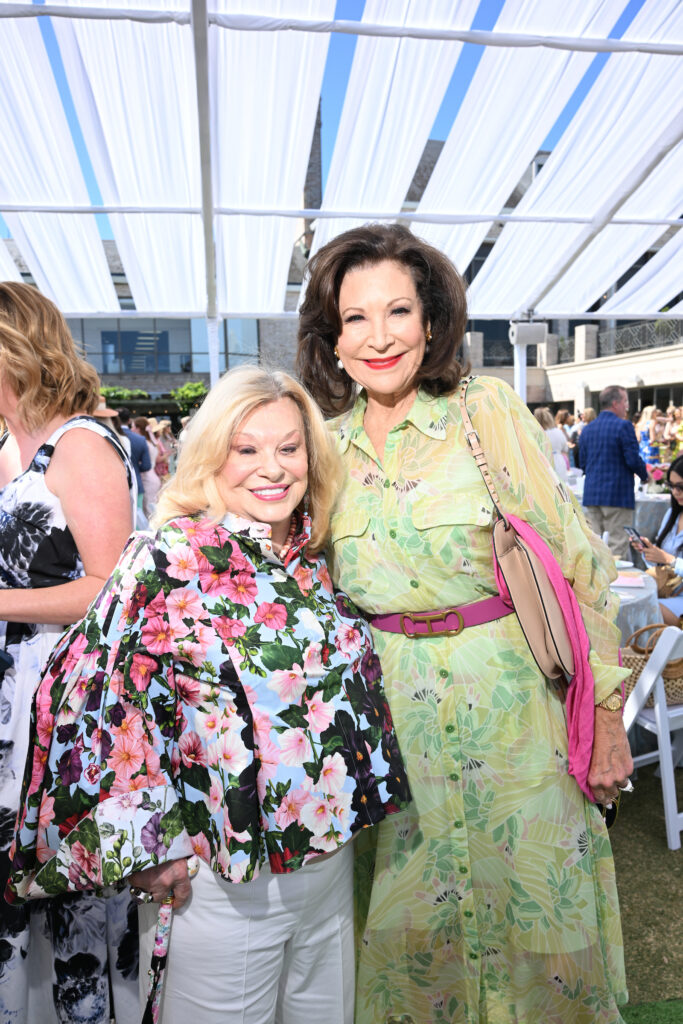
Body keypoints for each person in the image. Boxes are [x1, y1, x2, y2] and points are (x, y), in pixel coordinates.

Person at [297, 224, 633, 1024]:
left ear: (432, 320)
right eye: (355, 318)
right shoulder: (322, 447)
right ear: (331, 336)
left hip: (514, 713)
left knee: (537, 922)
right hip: (392, 732)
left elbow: (574, 562)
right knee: (414, 935)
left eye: (399, 312)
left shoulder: (483, 411)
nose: (379, 336)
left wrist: (609, 715)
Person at [8, 366, 411, 1024]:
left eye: (288, 447)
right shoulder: (168, 559)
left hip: (328, 873)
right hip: (223, 880)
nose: (271, 468)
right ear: (210, 457)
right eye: (245, 448)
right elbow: (84, 701)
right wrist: (147, 847)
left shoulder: (312, 560)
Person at [0, 282, 138, 1023]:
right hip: (10, 720)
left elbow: (111, 589)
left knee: (75, 906)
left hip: (66, 716)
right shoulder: (9, 444)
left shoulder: (81, 444)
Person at [579, 386, 650, 559]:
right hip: (617, 495)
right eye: (625, 401)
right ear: (615, 403)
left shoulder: (587, 429)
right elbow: (632, 459)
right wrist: (645, 476)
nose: (627, 406)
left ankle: (594, 584)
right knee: (617, 545)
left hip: (592, 494)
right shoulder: (623, 426)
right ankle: (615, 585)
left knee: (594, 546)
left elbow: (582, 464)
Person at [631, 454, 683, 625]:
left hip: (675, 597)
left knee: (645, 607)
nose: (676, 492)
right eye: (672, 486)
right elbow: (661, 567)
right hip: (666, 590)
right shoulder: (672, 515)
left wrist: (670, 560)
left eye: (681, 486)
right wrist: (649, 552)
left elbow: (669, 561)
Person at [119, 405, 152, 498]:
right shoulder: (140, 439)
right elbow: (146, 466)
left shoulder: (110, 437)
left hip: (116, 486)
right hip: (136, 482)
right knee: (138, 512)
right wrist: (135, 468)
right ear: (129, 420)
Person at [132, 415, 161, 517]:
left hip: (147, 478)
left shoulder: (145, 443)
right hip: (153, 477)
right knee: (152, 508)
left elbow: (145, 464)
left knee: (148, 510)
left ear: (138, 428)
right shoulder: (150, 442)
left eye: (133, 427)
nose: (132, 430)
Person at [534, 406, 569, 480]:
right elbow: (565, 448)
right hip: (559, 462)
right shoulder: (558, 432)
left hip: (542, 464)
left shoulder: (536, 434)